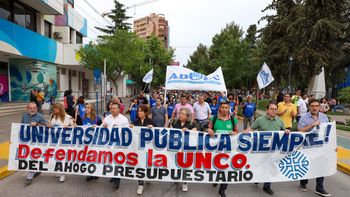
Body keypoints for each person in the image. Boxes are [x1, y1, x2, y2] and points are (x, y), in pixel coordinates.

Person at [245, 102, 290, 195]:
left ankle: (267, 186)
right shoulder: (260, 120)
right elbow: (251, 129)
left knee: (270, 167)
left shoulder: (280, 121)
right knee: (260, 165)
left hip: (273, 150)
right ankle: (257, 177)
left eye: (275, 109)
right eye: (271, 109)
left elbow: (283, 131)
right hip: (261, 149)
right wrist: (242, 133)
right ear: (267, 110)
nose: (273, 111)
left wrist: (287, 131)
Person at [298, 98, 331, 197]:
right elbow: (300, 131)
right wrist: (312, 125)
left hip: (321, 147)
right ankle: (303, 183)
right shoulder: (304, 118)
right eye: (312, 106)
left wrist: (333, 145)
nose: (314, 108)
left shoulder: (324, 117)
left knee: (321, 166)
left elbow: (329, 132)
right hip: (308, 146)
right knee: (307, 165)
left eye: (316, 106)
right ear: (309, 107)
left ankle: (319, 188)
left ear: (319, 107)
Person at [207, 101, 238, 197]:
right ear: (219, 108)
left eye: (226, 107)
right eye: (223, 107)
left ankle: (222, 190)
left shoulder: (233, 120)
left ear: (229, 108)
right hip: (216, 149)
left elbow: (237, 131)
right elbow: (208, 129)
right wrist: (209, 130)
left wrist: (235, 132)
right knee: (216, 167)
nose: (224, 109)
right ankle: (216, 179)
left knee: (226, 169)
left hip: (228, 150)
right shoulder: (214, 118)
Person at [102, 103, 129, 190]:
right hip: (109, 144)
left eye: (114, 108)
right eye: (111, 108)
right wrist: (103, 125)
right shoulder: (107, 118)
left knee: (117, 162)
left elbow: (127, 133)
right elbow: (101, 128)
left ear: (119, 109)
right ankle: (113, 176)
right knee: (110, 161)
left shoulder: (124, 119)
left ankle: (117, 180)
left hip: (118, 145)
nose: (112, 110)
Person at [130, 105, 155, 195]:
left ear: (145, 112)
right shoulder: (135, 122)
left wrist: (153, 128)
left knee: (148, 164)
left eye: (141, 111)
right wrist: (131, 128)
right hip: (138, 148)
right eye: (138, 111)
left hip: (148, 148)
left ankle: (147, 176)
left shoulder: (150, 122)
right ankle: (140, 184)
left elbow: (157, 133)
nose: (139, 112)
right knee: (139, 165)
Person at [172, 108, 197, 192]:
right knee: (176, 164)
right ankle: (176, 177)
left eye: (183, 114)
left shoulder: (191, 123)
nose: (181, 115)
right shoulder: (175, 122)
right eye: (180, 113)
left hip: (186, 148)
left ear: (187, 116)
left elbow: (196, 131)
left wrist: (189, 130)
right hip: (176, 147)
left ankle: (184, 182)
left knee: (185, 165)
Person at [21, 102, 47, 185]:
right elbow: (21, 127)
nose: (32, 109)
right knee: (28, 158)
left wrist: (37, 124)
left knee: (33, 158)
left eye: (34, 108)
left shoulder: (40, 116)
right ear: (27, 108)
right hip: (27, 141)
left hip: (36, 142)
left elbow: (47, 127)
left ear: (36, 108)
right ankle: (37, 170)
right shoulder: (24, 116)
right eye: (30, 108)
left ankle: (29, 177)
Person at [48, 102, 74, 182]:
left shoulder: (67, 117)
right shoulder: (52, 116)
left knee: (63, 156)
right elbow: (49, 124)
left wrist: (69, 126)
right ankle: (59, 170)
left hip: (64, 140)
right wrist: (48, 125)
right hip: (54, 140)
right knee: (56, 156)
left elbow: (74, 126)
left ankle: (63, 173)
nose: (54, 109)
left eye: (56, 108)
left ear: (60, 109)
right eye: (54, 108)